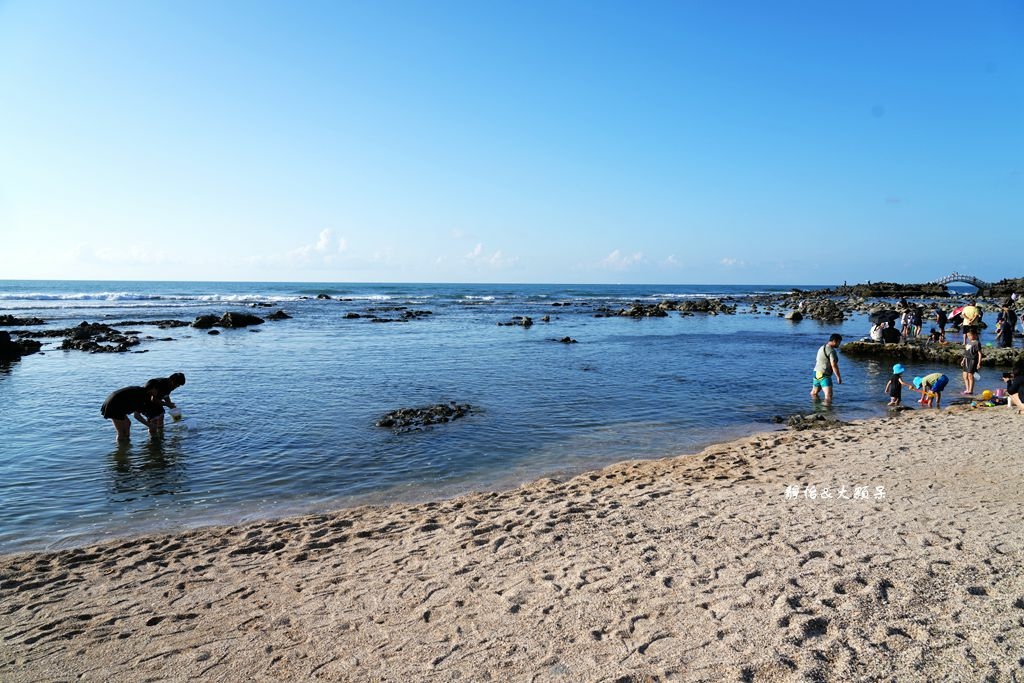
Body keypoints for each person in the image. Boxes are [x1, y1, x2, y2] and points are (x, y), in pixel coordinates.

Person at [810, 334, 843, 405]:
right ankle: (827, 413)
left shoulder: (822, 347)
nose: (839, 344)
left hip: (816, 373)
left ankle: (815, 407)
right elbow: (833, 364)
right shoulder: (831, 351)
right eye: (839, 342)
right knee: (828, 395)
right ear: (834, 341)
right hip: (824, 375)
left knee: (814, 393)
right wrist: (838, 377)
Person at [961, 331, 982, 395]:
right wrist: (963, 360)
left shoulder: (977, 343)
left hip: (972, 360)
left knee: (970, 375)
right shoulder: (969, 342)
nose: (969, 337)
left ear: (974, 335)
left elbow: (979, 353)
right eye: (968, 336)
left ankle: (970, 390)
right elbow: (966, 353)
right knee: (965, 375)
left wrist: (979, 363)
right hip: (966, 359)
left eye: (970, 335)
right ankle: (967, 389)